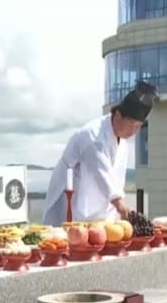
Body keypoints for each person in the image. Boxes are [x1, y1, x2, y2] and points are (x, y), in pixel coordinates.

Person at [41, 81, 158, 226]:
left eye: (139, 126)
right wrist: (123, 208)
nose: (134, 131)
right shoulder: (93, 135)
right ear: (119, 115)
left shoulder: (122, 141)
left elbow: (115, 181)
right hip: (72, 200)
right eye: (132, 125)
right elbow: (102, 175)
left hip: (98, 214)